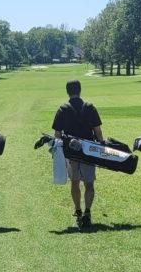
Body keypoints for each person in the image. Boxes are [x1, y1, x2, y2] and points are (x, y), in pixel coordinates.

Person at [52, 80, 104, 228]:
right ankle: (88, 212)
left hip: (71, 153)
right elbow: (98, 132)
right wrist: (101, 148)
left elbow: (57, 134)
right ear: (80, 90)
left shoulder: (63, 109)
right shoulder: (90, 107)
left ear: (67, 92)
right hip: (89, 151)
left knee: (74, 182)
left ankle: (78, 211)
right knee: (89, 183)